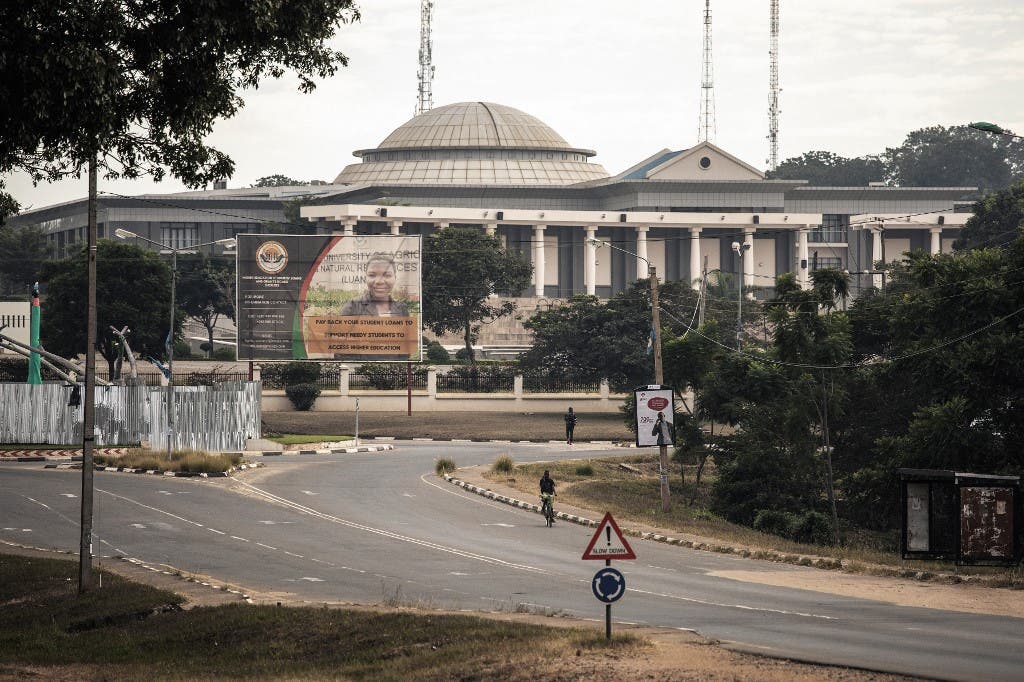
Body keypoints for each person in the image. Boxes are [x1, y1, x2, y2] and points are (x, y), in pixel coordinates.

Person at [339, 253, 410, 317]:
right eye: (372, 275)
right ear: (365, 278)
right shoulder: (351, 308)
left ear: (395, 278)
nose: (379, 281)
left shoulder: (402, 310)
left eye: (387, 275)